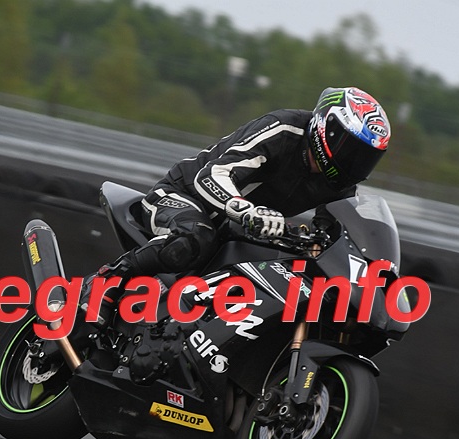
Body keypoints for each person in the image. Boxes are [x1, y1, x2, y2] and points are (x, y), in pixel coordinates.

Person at [84, 86, 392, 325]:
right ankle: (107, 282)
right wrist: (247, 210)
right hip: (182, 197)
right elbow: (212, 175)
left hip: (236, 231)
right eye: (351, 151)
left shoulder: (339, 184)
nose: (355, 164)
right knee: (196, 237)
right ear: (328, 129)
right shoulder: (284, 129)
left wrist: (376, 271)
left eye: (366, 158)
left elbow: (336, 234)